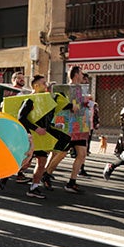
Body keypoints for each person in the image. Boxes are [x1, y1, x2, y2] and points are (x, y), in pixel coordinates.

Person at [17, 75, 70, 199]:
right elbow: (21, 118)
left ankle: (34, 188)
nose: (46, 85)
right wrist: (36, 129)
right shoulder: (29, 100)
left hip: (41, 138)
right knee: (24, 163)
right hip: (30, 137)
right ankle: (5, 175)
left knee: (41, 163)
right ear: (36, 86)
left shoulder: (45, 100)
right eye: (43, 83)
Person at [45, 65, 94, 194]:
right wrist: (81, 102)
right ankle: (46, 173)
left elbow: (79, 106)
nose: (83, 76)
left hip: (81, 126)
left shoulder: (81, 89)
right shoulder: (66, 89)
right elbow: (67, 107)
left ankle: (72, 182)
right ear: (76, 74)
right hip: (70, 127)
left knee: (82, 154)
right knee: (61, 153)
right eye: (82, 73)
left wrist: (87, 102)